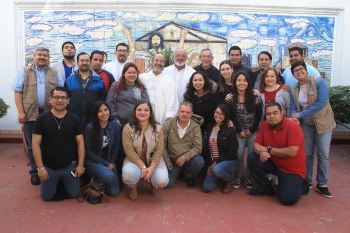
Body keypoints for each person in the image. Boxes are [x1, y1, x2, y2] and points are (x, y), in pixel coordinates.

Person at [12, 46, 64, 185]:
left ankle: (49, 170)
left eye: (45, 55)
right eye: (39, 55)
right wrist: (21, 112)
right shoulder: (25, 71)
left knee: (50, 144)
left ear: (49, 58)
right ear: (34, 56)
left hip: (50, 114)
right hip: (30, 115)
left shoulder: (54, 72)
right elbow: (18, 92)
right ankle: (35, 172)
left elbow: (61, 93)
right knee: (32, 144)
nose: (42, 57)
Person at [248, 102, 309, 206]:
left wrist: (267, 150)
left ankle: (303, 184)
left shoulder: (293, 127)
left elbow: (291, 151)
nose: (271, 116)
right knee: (253, 158)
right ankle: (265, 188)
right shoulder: (264, 125)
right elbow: (256, 145)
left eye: (275, 113)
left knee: (287, 200)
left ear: (282, 113)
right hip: (275, 164)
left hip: (292, 170)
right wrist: (262, 151)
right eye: (268, 114)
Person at [290, 61, 336, 198]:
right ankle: (307, 181)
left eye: (300, 69)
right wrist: (295, 117)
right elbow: (293, 107)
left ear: (306, 70)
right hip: (306, 125)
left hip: (323, 123)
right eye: (295, 71)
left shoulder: (318, 82)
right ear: (293, 74)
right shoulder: (295, 89)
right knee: (307, 153)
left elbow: (321, 102)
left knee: (323, 154)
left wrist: (301, 114)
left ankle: (322, 184)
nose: (299, 72)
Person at [32, 87, 85, 201]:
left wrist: (80, 165)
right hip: (49, 166)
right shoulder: (41, 119)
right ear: (50, 99)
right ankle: (56, 182)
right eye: (56, 97)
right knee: (46, 197)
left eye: (63, 97)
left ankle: (62, 181)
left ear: (68, 100)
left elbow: (80, 143)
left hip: (69, 165)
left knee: (74, 194)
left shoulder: (74, 119)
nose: (60, 100)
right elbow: (35, 144)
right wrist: (40, 168)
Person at [122, 100, 169, 200]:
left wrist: (151, 169)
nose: (142, 112)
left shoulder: (158, 128)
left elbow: (159, 151)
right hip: (134, 160)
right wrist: (143, 167)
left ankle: (153, 185)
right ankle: (133, 187)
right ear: (135, 112)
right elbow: (129, 151)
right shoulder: (128, 128)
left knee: (162, 182)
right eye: (139, 110)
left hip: (153, 161)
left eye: (146, 110)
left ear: (150, 113)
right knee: (128, 174)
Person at [226, 72, 263, 189]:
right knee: (239, 154)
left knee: (252, 154)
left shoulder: (255, 96)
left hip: (253, 130)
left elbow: (259, 115)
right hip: (239, 131)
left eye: (244, 80)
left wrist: (251, 130)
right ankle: (239, 176)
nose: (241, 83)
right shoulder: (231, 98)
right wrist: (239, 130)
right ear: (235, 82)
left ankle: (248, 176)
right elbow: (231, 116)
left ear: (248, 82)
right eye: (239, 80)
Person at [162, 101, 204, 188]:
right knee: (166, 184)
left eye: (187, 112)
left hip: (189, 159)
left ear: (191, 114)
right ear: (178, 112)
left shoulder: (195, 127)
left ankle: (190, 176)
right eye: (182, 111)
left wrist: (184, 157)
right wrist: (167, 160)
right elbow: (161, 145)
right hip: (173, 160)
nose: (185, 114)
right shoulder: (168, 125)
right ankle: (179, 172)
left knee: (199, 161)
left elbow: (198, 147)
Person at [84, 101, 121, 196]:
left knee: (114, 192)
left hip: (109, 162)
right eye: (100, 111)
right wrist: (107, 164)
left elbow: (116, 146)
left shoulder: (115, 125)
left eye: (106, 110)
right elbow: (89, 152)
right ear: (96, 114)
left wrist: (112, 162)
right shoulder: (90, 128)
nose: (104, 113)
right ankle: (96, 178)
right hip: (93, 162)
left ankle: (99, 180)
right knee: (109, 176)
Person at [202, 104, 239, 193]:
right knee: (207, 188)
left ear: (226, 116)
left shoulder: (230, 129)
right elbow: (207, 149)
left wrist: (216, 163)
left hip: (229, 161)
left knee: (217, 169)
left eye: (221, 114)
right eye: (217, 112)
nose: (218, 115)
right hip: (214, 163)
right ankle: (220, 176)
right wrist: (209, 166)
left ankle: (230, 179)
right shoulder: (210, 126)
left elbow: (233, 152)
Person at [64, 52, 107, 129]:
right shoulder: (69, 80)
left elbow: (103, 101)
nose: (84, 63)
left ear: (90, 62)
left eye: (87, 60)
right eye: (82, 60)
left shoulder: (99, 81)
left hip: (93, 121)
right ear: (77, 63)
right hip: (73, 120)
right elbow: (65, 101)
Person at [139, 54, 178, 125]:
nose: (159, 63)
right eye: (156, 60)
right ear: (152, 62)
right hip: (143, 114)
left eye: (161, 61)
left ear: (164, 64)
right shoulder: (142, 78)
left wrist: (170, 115)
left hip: (161, 117)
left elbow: (173, 99)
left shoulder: (169, 81)